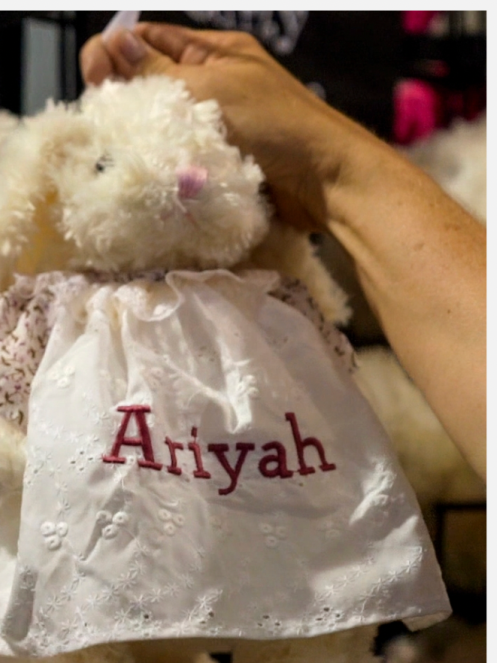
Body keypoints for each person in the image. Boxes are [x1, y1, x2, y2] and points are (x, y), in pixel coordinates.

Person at [80, 21, 486, 478]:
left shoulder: (269, 281)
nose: (181, 183)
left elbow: (312, 293)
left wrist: (328, 165)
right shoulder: (68, 301)